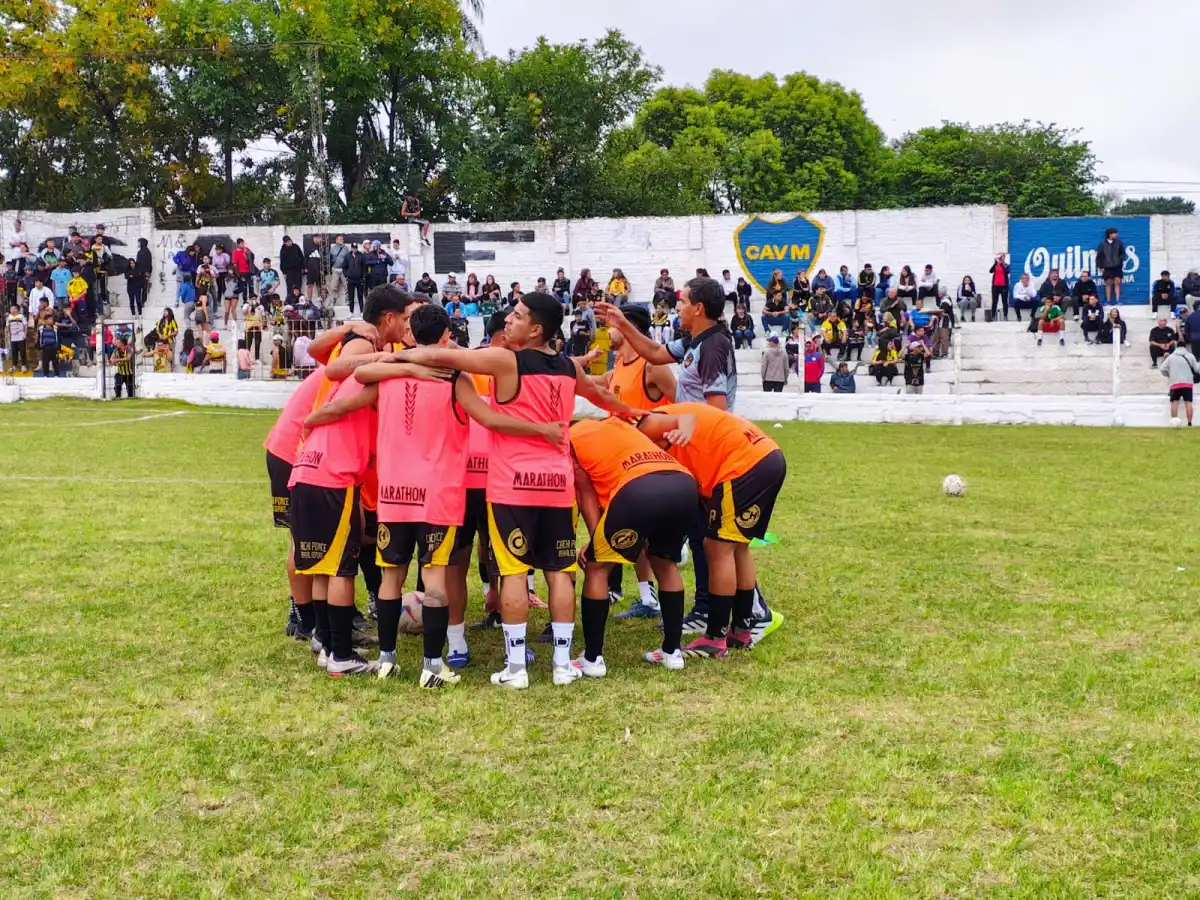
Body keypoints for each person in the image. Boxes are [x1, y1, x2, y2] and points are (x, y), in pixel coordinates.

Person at [390, 293, 633, 689]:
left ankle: (516, 669)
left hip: (512, 487)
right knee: (560, 573)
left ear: (535, 329)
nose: (508, 320)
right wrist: (635, 413)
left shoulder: (506, 361)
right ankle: (561, 665)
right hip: (557, 486)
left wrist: (387, 360)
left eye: (517, 316)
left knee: (515, 573)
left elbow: (438, 356)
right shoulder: (569, 367)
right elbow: (600, 395)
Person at [345, 304, 567, 686]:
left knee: (390, 577)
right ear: (447, 335)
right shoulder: (453, 378)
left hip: (394, 495)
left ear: (411, 334)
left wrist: (404, 365)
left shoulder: (387, 373)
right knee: (434, 579)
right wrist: (540, 430)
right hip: (437, 495)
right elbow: (491, 419)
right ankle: (433, 666)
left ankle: (387, 660)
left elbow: (359, 373)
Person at [634, 404, 786, 659]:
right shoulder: (650, 424)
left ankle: (715, 638)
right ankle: (741, 630)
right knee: (737, 547)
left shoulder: (646, 426)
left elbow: (687, 425)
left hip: (743, 464)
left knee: (717, 547)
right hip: (764, 456)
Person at [570, 416, 698, 674]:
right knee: (665, 563)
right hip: (683, 482)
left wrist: (596, 541)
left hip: (638, 486)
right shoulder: (616, 428)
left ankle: (592, 659)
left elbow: (584, 490)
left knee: (597, 567)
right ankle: (672, 652)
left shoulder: (571, 439)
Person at [1160, 344, 1200, 425]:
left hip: (1175, 383)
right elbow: (1197, 369)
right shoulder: (1190, 356)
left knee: (1174, 402)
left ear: (1176, 347)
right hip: (1187, 383)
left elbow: (1162, 368)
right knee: (1188, 403)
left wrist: (1168, 374)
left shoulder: (1171, 357)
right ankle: (1189, 423)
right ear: (1185, 347)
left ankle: (1174, 422)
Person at [1096, 227, 1126, 304]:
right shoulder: (1102, 244)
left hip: (1117, 267)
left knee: (1117, 283)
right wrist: (1101, 266)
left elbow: (1123, 253)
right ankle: (1108, 300)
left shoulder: (1119, 243)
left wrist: (1120, 261)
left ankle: (1118, 300)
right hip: (1107, 267)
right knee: (1108, 283)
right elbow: (1099, 256)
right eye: (1115, 233)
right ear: (1110, 234)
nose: (1116, 235)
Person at [6, 303, 27, 373]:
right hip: (13, 337)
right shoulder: (9, 317)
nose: (13, 310)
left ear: (17, 309)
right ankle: (14, 365)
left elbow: (25, 326)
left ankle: (24, 365)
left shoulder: (21, 316)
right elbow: (8, 327)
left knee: (22, 352)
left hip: (21, 337)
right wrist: (9, 335)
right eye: (11, 308)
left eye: (14, 308)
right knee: (14, 352)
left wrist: (25, 334)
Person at [989, 253, 1010, 320]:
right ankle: (993, 316)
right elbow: (990, 271)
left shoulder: (1006, 265)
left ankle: (1005, 316)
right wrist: (995, 263)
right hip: (995, 286)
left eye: (1003, 257)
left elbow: (1007, 271)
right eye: (1000, 257)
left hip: (1004, 286)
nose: (1001, 258)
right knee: (994, 301)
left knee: (1004, 301)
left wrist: (1001, 264)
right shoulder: (996, 265)